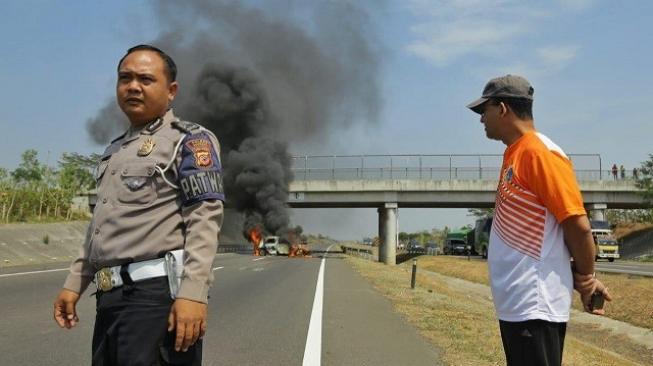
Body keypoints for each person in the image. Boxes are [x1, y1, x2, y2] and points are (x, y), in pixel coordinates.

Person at [53, 44, 225, 365]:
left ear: (171, 90)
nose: (133, 86)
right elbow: (101, 227)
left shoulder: (189, 140)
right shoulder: (115, 150)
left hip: (155, 300)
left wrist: (192, 294)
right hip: (110, 301)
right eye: (125, 78)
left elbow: (204, 218)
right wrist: (75, 283)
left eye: (145, 79)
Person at [467, 75, 612, 366]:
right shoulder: (515, 153)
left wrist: (586, 278)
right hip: (517, 305)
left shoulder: (540, 153)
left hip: (534, 306)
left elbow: (578, 225)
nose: (482, 119)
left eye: (485, 110)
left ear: (503, 108)